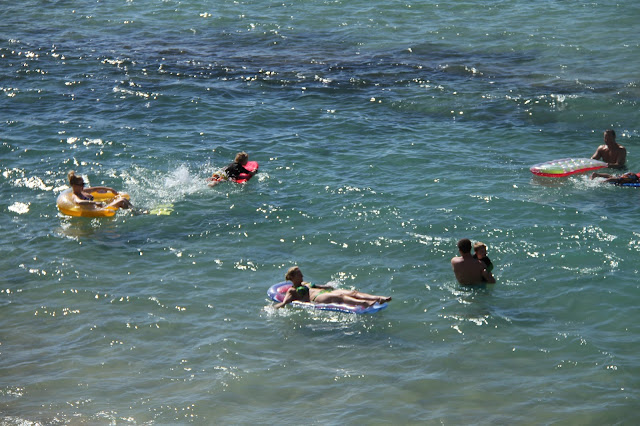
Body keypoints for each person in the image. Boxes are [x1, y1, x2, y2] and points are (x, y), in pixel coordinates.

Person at [274, 266, 392, 309]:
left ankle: (378, 298)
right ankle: (364, 303)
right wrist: (272, 307)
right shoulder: (292, 290)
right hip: (317, 298)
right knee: (340, 297)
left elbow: (321, 286)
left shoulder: (305, 283)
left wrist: (329, 286)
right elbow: (284, 303)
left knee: (353, 292)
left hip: (323, 292)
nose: (302, 275)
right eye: (299, 274)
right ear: (293, 277)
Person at [68, 171, 132, 210]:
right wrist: (95, 203)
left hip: (99, 207)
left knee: (122, 199)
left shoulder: (83, 191)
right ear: (74, 185)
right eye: (80, 184)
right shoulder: (75, 195)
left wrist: (110, 189)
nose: (83, 186)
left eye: (83, 184)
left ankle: (134, 210)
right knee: (122, 201)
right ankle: (135, 213)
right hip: (97, 210)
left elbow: (95, 189)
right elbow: (79, 202)